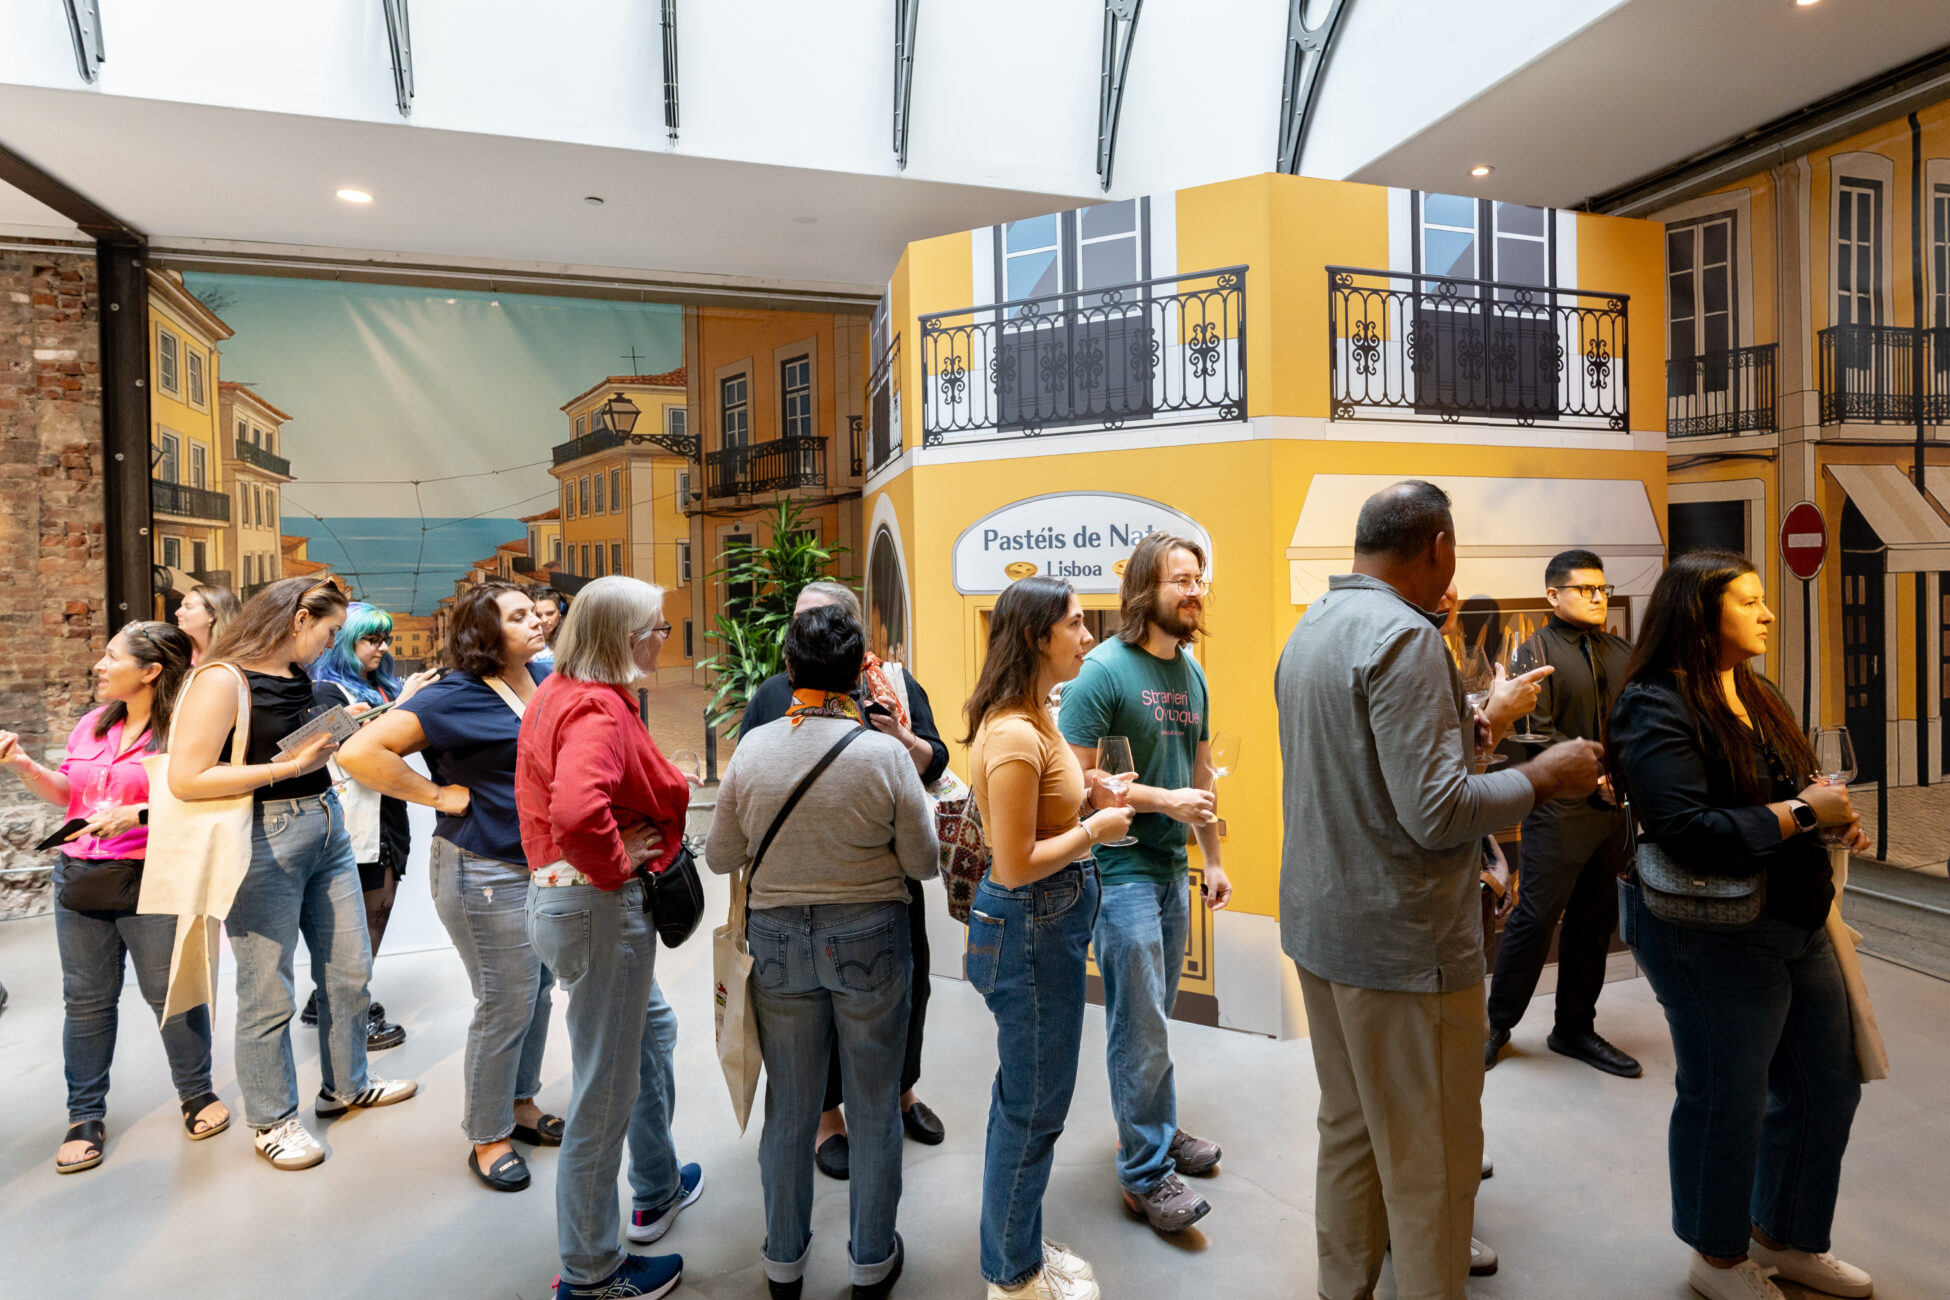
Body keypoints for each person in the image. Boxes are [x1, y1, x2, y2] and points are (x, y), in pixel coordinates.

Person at [1275, 480, 1602, 1300]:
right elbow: (1437, 813)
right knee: (1433, 1164)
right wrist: (1545, 775)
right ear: (1440, 547)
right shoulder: (1407, 637)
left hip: (1323, 930)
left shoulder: (1313, 626)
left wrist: (1465, 729)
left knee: (1350, 1132)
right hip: (1403, 947)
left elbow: (1367, 774)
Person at [1609, 551, 1873, 1300]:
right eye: (1750, 601)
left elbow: (1790, 790)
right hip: (1709, 933)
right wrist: (1802, 814)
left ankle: (1784, 1236)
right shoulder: (1654, 704)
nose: (1767, 613)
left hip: (1796, 916)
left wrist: (1826, 819)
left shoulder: (1755, 690)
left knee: (1828, 1085)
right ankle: (1717, 1258)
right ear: (1701, 614)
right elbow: (1686, 830)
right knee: (1727, 1099)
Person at [709, 603, 939, 1300]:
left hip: (777, 941)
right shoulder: (883, 755)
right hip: (871, 936)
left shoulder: (754, 750)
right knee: (873, 1104)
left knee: (790, 1109)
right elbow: (923, 863)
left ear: (788, 669)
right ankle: (871, 1261)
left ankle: (783, 1263)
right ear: (857, 676)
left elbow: (721, 855)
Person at [167, 576, 418, 1171]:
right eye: (330, 631)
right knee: (267, 988)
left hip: (326, 822)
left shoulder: (297, 673)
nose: (331, 643)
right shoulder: (221, 679)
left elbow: (285, 746)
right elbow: (186, 778)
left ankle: (347, 1084)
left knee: (349, 970)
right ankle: (272, 1118)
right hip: (262, 835)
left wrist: (338, 731)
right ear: (299, 619)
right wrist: (290, 769)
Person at [338, 582, 563, 1193]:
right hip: (480, 867)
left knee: (538, 992)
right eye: (518, 617)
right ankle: (487, 1135)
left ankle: (520, 1103)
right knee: (506, 1000)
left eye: (535, 613)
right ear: (485, 633)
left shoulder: (543, 676)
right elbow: (360, 752)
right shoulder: (452, 693)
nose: (536, 622)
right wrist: (437, 795)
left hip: (539, 863)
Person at [739, 579, 950, 1179]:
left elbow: (936, 759)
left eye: (821, 617)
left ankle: (902, 1091)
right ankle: (828, 1117)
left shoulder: (895, 685)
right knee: (817, 1011)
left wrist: (902, 739)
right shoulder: (772, 694)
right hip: (799, 886)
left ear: (854, 633)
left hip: (887, 882)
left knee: (909, 990)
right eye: (798, 618)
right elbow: (749, 780)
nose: (805, 628)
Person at [516, 575, 691, 1300]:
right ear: (625, 639)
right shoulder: (595, 707)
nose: (663, 641)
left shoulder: (562, 691)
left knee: (652, 1032)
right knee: (603, 1093)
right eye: (656, 630)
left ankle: (656, 1183)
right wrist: (618, 862)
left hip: (567, 903)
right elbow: (577, 812)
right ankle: (591, 1272)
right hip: (598, 906)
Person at [0, 621, 226, 1173]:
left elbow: (205, 800)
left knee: (170, 994)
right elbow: (71, 796)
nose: (99, 665)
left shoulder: (183, 733)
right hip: (80, 876)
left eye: (111, 657)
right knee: (85, 1000)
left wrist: (140, 813)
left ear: (151, 671)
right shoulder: (91, 725)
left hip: (154, 876)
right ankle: (84, 1115)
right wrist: (23, 764)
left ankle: (196, 1092)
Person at [965, 575, 1135, 1300]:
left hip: (1044, 926)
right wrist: (1095, 830)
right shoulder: (1013, 733)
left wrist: (1089, 796)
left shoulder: (1036, 716)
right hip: (1030, 928)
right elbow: (1014, 863)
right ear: (1038, 636)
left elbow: (1041, 812)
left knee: (1031, 1100)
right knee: (1033, 1109)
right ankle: (1012, 1278)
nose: (1088, 635)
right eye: (1074, 623)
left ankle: (1019, 1250)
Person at [1054, 532, 1228, 1233]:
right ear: (1143, 591)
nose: (1193, 591)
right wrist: (1164, 802)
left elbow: (1203, 776)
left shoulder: (1194, 673)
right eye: (1179, 580)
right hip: (1117, 867)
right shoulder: (1103, 671)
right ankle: (1145, 1173)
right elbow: (1074, 784)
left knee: (1156, 1011)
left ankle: (1156, 1125)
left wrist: (1214, 858)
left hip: (1170, 867)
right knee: (1140, 1020)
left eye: (1198, 580)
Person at [1485, 549, 1641, 1077]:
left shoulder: (1622, 650)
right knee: (1535, 918)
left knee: (1595, 921)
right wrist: (1593, 777)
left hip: (1614, 809)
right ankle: (1496, 1025)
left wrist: (1626, 775)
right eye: (1585, 589)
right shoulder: (1535, 652)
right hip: (1559, 808)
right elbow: (1535, 733)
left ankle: (1574, 1027)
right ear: (1553, 595)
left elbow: (1637, 720)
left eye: (1602, 589)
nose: (1598, 598)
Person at [304, 602, 439, 1053]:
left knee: (372, 914)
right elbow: (350, 751)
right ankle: (345, 1014)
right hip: (356, 818)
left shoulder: (379, 686)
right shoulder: (325, 691)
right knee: (362, 921)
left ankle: (329, 1002)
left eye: (385, 639)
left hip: (385, 813)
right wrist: (402, 706)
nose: (381, 648)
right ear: (345, 641)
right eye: (370, 639)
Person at [174, 582, 240, 665]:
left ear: (212, 615)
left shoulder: (235, 656)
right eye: (181, 606)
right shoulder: (181, 651)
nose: (177, 612)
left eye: (188, 607)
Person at [531, 588, 564, 669]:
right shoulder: (524, 640)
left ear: (560, 611)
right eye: (538, 615)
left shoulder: (571, 639)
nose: (544, 620)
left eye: (550, 613)